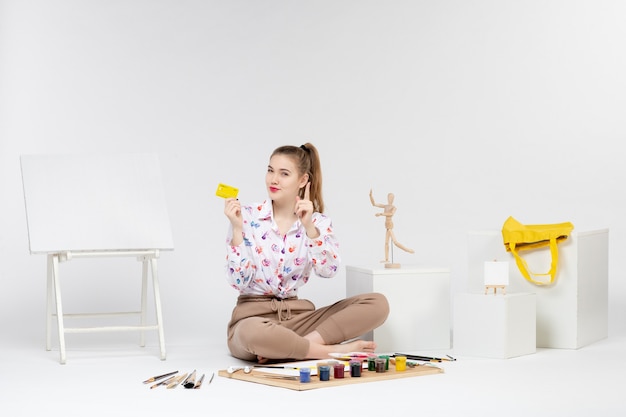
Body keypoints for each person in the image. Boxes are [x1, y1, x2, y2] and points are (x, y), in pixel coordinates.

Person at [223, 143, 389, 363]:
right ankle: (331, 352)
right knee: (252, 333)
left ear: (302, 180)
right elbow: (239, 282)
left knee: (377, 304)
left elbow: (328, 271)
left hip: (299, 320)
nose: (273, 180)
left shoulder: (318, 222)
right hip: (253, 319)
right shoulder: (245, 216)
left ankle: (294, 347)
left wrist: (309, 227)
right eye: (270, 170)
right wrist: (236, 229)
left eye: (284, 174)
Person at [369, 189, 414, 264]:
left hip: (390, 225)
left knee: (395, 242)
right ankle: (386, 259)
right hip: (386, 226)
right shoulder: (385, 206)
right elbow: (374, 204)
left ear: (393, 199)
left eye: (391, 198)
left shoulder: (394, 207)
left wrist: (381, 214)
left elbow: (391, 214)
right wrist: (371, 196)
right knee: (386, 243)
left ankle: (407, 250)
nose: (390, 199)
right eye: (389, 197)